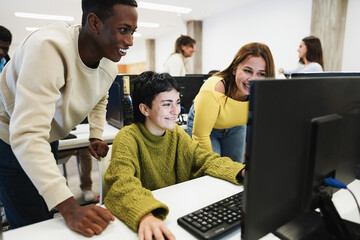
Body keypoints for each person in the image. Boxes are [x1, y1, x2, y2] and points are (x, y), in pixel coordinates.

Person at [0, 0, 138, 237]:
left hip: (45, 138)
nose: (130, 41)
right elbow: (27, 135)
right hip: (9, 140)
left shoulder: (109, 65)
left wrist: (95, 134)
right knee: (31, 225)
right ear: (94, 22)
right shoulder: (48, 47)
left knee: (45, 208)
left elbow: (99, 97)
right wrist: (70, 207)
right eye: (123, 30)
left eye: (133, 32)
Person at [104, 71, 245, 240]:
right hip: (149, 216)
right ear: (144, 109)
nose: (175, 110)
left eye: (177, 102)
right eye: (166, 104)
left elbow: (203, 159)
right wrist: (145, 215)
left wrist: (241, 171)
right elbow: (121, 183)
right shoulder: (128, 137)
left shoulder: (176, 133)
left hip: (175, 211)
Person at [189, 43, 275, 163]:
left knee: (235, 165)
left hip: (235, 126)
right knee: (213, 170)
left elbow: (265, 134)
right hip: (207, 130)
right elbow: (201, 136)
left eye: (261, 74)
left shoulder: (264, 93)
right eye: (247, 71)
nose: (253, 79)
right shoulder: (213, 90)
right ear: (235, 69)